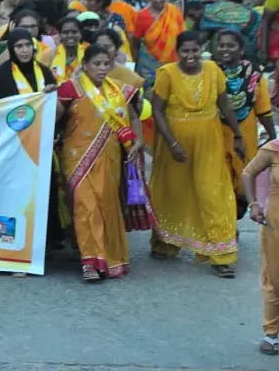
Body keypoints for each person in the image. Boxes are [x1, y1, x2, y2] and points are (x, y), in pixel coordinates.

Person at [149, 31, 241, 277]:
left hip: (209, 143)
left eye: (195, 50)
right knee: (173, 192)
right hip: (175, 145)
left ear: (202, 50)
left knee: (214, 193)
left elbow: (224, 104)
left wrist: (238, 134)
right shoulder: (167, 74)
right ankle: (165, 243)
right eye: (185, 51)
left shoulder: (213, 70)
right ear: (177, 52)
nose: (190, 55)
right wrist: (172, 144)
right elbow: (157, 110)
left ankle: (221, 255)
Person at [56, 45, 149, 281]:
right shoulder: (70, 88)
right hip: (77, 158)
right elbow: (53, 119)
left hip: (110, 158)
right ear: (85, 65)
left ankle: (108, 259)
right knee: (85, 206)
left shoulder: (119, 90)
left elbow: (134, 117)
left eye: (106, 64)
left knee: (106, 206)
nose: (101, 68)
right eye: (96, 64)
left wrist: (138, 140)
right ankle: (89, 262)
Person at [240, 123, 279, 356]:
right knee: (276, 278)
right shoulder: (274, 150)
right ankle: (271, 335)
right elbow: (248, 172)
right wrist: (254, 205)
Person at [215, 29, 277, 216]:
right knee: (220, 182)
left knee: (242, 184)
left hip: (244, 135)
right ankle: (227, 226)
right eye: (221, 45)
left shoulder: (254, 75)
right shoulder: (211, 72)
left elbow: (263, 109)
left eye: (230, 45)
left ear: (241, 50)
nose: (225, 49)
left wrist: (273, 137)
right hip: (216, 133)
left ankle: (233, 218)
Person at [132, 0, 184, 88]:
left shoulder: (175, 11)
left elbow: (182, 36)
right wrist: (136, 60)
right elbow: (136, 40)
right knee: (152, 90)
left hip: (173, 62)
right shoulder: (142, 16)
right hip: (150, 63)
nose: (158, 0)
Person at [0, 29, 58, 101]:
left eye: (28, 45)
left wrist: (50, 92)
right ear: (11, 49)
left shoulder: (45, 71)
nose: (25, 50)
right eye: (19, 46)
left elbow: (54, 101)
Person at [41, 15, 84, 84]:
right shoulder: (49, 54)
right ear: (59, 35)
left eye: (74, 32)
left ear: (80, 34)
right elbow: (41, 79)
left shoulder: (88, 53)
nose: (70, 35)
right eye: (65, 32)